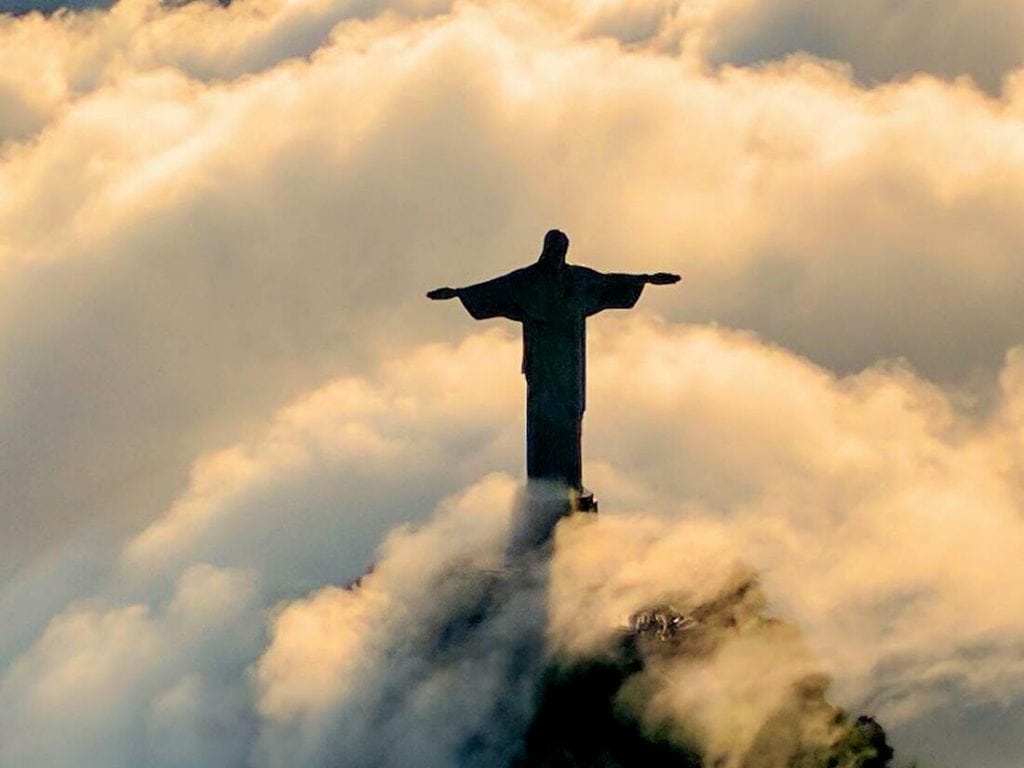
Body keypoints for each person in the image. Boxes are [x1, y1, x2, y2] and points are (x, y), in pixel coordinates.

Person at [428, 229, 680, 496]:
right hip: (542, 365)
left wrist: (647, 279)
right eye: (552, 251)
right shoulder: (526, 281)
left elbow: (607, 283)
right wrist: (458, 293)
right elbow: (494, 288)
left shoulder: (578, 280)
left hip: (570, 364)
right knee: (541, 418)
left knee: (570, 416)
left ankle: (571, 483)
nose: (555, 257)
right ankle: (542, 488)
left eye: (560, 252)